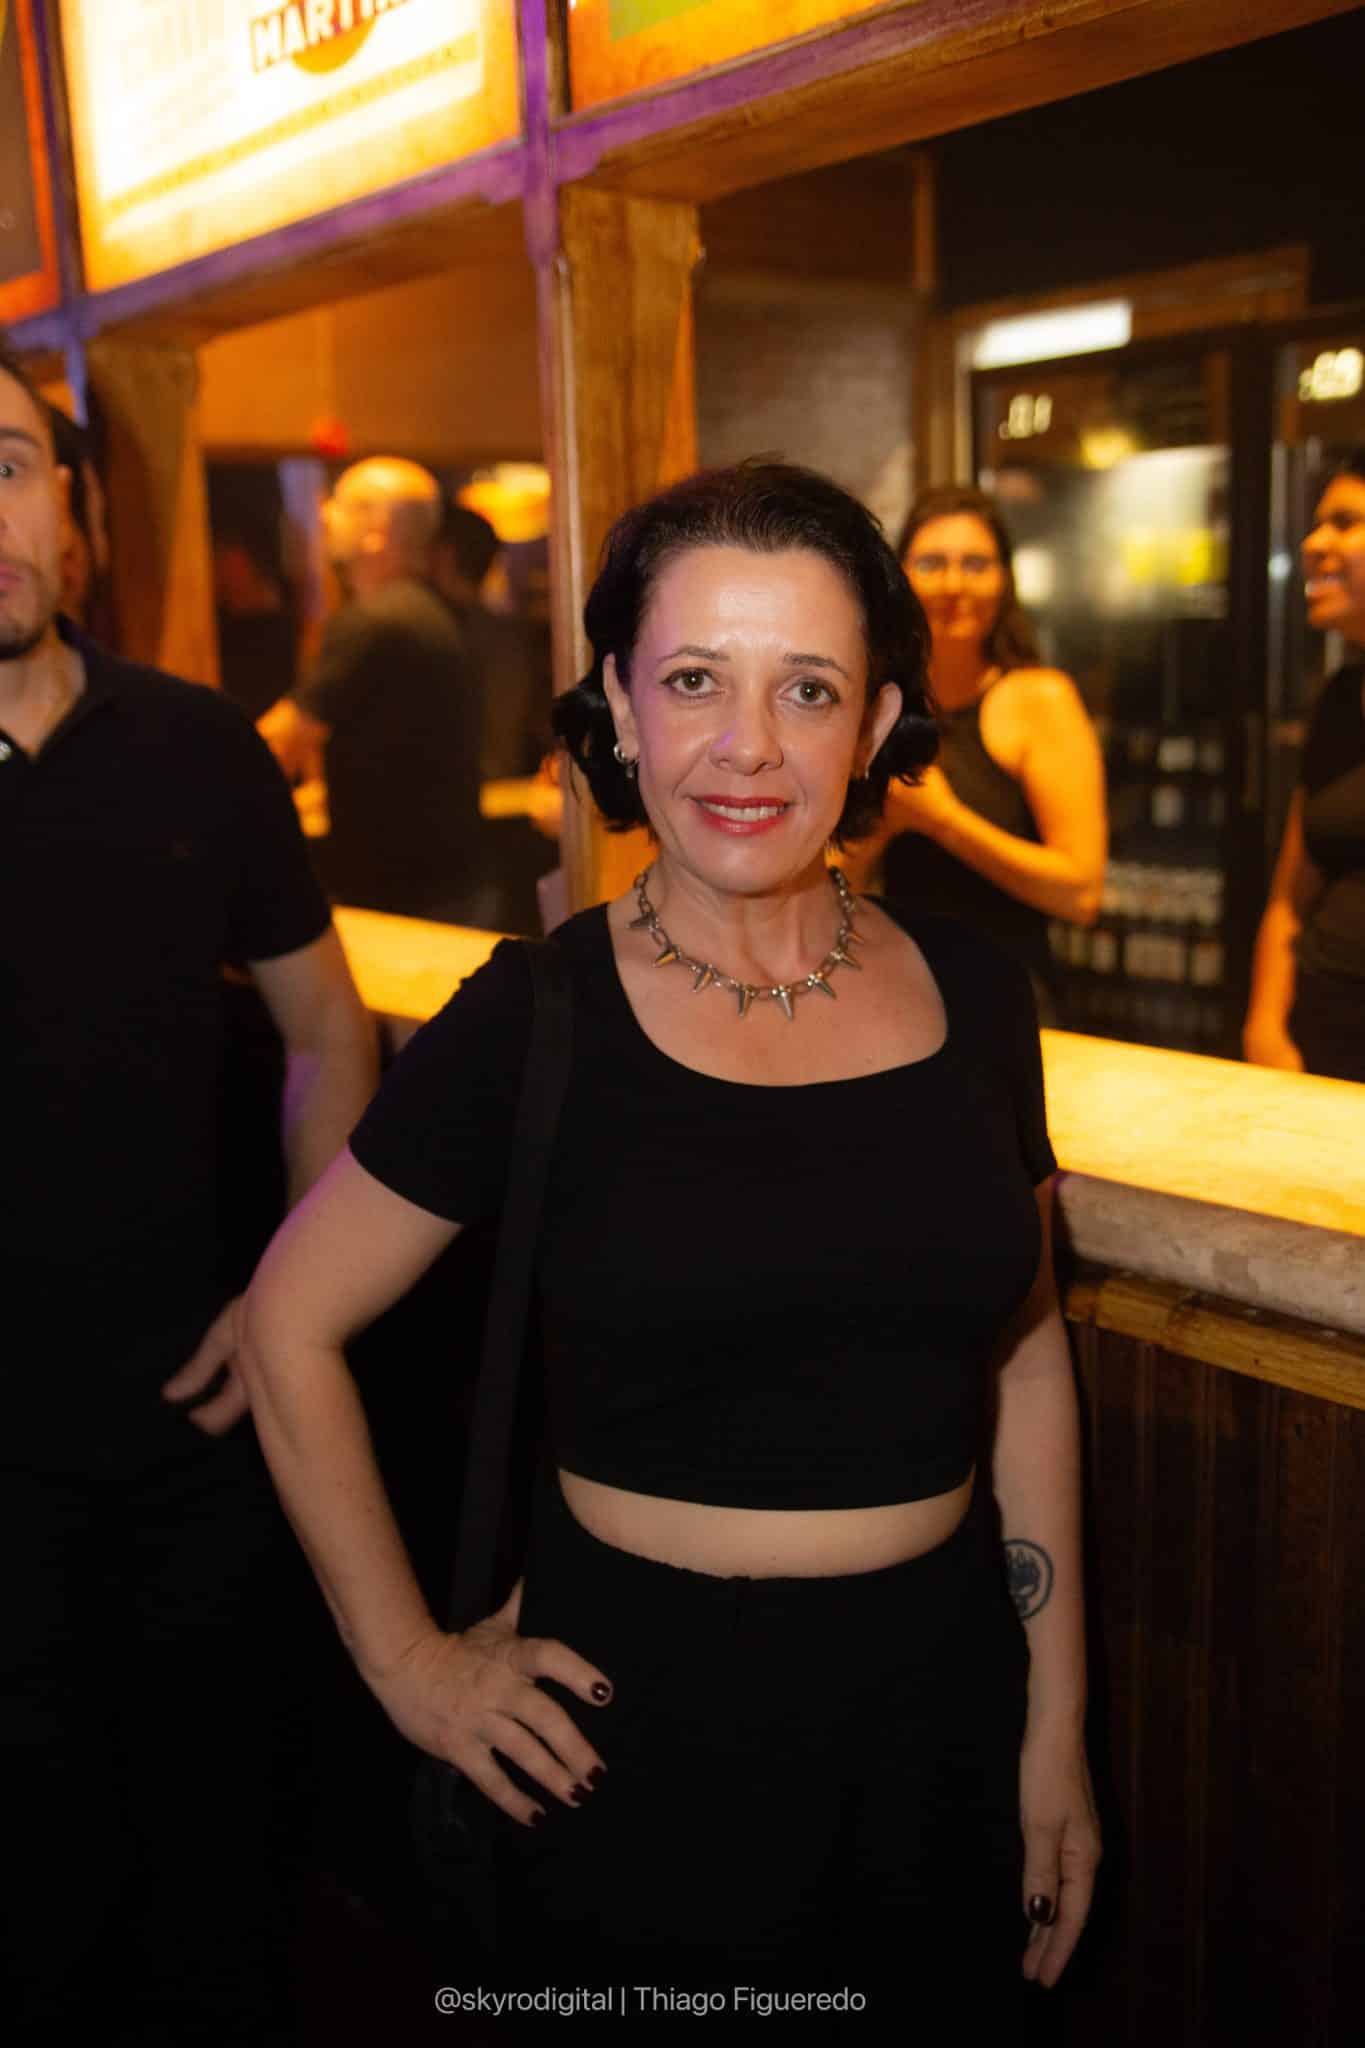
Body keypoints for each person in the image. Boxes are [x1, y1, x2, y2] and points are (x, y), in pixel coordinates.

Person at [236, 460, 1099, 2008]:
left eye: (807, 689)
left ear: (876, 724)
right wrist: (411, 1665)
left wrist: (1056, 1727)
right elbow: (287, 1323)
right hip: (630, 1747)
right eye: (694, 679)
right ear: (623, 713)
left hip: (941, 1725)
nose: (747, 744)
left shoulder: (979, 997)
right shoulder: (540, 1014)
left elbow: (1024, 1360)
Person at [0, 333, 379, 2044]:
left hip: (196, 1429)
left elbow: (327, 1029)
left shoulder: (199, 746)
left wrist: (288, 1287)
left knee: (219, 1893)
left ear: (73, 510)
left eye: (11, 468)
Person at [842, 483, 1106, 1025]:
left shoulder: (1040, 698)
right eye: (932, 563)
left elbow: (1080, 894)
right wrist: (879, 827)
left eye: (976, 564)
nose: (954, 584)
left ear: (1004, 580)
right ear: (901, 579)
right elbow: (831, 886)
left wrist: (945, 821)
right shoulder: (877, 706)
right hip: (893, 999)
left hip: (1009, 1004)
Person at [259, 457, 484, 923]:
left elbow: (279, 743)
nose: (324, 514)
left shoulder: (372, 622)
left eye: (342, 504)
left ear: (376, 530)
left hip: (403, 898)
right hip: (445, 885)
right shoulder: (430, 611)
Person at [1244, 453, 1365, 1082]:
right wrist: (1265, 1028)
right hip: (1316, 1040)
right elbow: (1291, 895)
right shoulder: (1341, 698)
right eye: (1317, 524)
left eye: (1345, 522)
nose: (1314, 544)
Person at [430, 497, 556, 931]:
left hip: (469, 823)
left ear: (443, 556)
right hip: (507, 815)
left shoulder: (443, 634)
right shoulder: (506, 634)